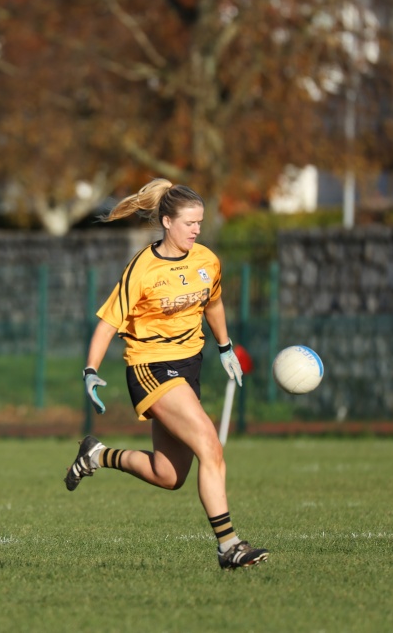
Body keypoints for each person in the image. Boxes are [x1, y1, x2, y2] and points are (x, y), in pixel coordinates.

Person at [63, 178, 268, 570]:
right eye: (189, 223)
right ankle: (229, 546)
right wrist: (90, 370)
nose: (196, 230)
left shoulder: (206, 260)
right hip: (151, 367)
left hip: (190, 367)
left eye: (200, 222)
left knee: (168, 475)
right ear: (167, 221)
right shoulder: (142, 268)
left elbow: (213, 303)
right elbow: (108, 324)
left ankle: (96, 454)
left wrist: (225, 346)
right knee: (210, 446)